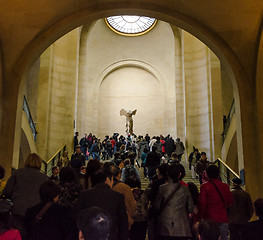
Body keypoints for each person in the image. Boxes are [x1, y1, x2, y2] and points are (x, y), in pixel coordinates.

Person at [76, 167, 129, 240]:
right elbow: (123, 224)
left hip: (88, 236)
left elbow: (77, 218)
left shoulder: (84, 195)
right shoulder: (117, 197)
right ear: (107, 180)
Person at [3, 153, 48, 233]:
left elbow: (7, 191)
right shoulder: (43, 177)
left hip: (18, 210)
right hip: (35, 212)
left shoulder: (17, 173)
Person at [154, 163, 193, 240]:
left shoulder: (162, 188)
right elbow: (190, 208)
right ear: (180, 175)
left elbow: (156, 206)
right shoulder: (185, 189)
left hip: (165, 224)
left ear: (168, 174)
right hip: (182, 225)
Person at [198, 165, 234, 240]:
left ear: (207, 174)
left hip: (209, 218)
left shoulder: (204, 186)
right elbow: (230, 201)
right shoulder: (225, 186)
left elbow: (202, 203)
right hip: (223, 217)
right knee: (223, 237)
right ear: (218, 174)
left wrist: (200, 217)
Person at [110, 165, 137, 230]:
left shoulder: (106, 187)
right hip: (123, 221)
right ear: (119, 174)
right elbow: (133, 206)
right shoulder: (124, 187)